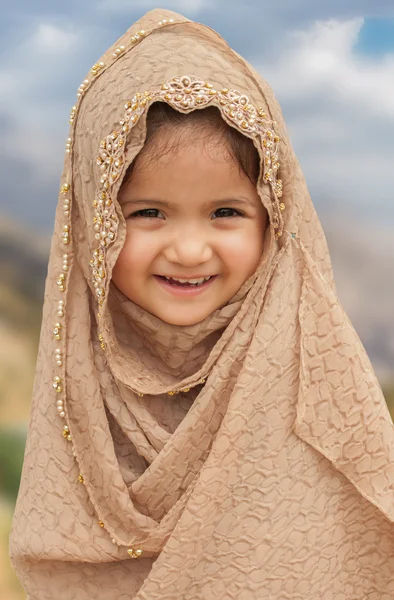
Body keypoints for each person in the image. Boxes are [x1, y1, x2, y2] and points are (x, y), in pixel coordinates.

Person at [9, 8, 394, 599]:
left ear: (274, 221)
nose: (189, 250)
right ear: (91, 225)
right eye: (147, 213)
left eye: (226, 213)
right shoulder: (83, 388)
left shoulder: (316, 388)